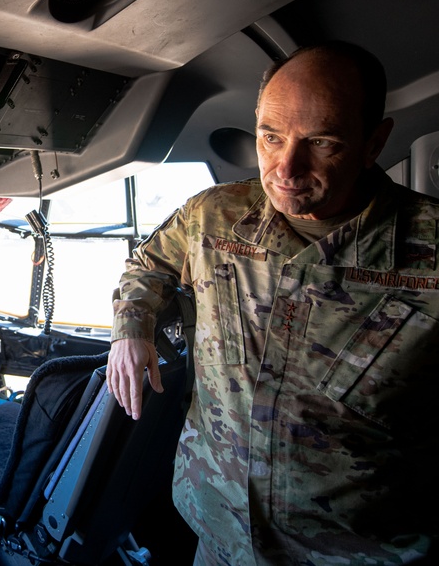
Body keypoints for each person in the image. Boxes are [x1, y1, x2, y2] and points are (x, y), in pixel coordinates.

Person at [106, 41, 439, 565]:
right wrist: (132, 329)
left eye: (322, 142)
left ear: (374, 142)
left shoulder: (431, 255)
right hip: (218, 529)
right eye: (270, 137)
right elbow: (149, 264)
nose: (286, 167)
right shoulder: (213, 216)